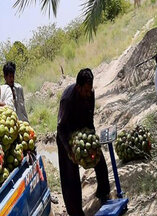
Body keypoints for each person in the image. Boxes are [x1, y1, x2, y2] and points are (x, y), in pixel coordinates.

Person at [57, 68, 110, 216]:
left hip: (83, 130)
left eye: (90, 90)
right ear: (78, 87)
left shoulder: (90, 93)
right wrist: (69, 150)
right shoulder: (67, 99)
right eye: (85, 91)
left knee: (98, 158)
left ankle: (103, 193)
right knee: (70, 177)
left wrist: (92, 137)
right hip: (66, 136)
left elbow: (90, 117)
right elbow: (60, 128)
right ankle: (75, 212)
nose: (88, 94)